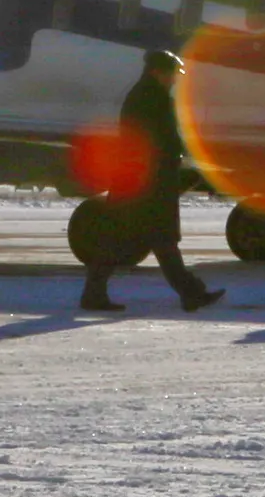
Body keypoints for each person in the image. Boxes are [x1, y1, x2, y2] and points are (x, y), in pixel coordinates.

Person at [82, 48, 220, 313]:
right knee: (152, 239)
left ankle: (190, 293)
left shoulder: (147, 95)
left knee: (142, 239)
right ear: (157, 72)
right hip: (146, 182)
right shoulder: (150, 98)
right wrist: (173, 162)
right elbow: (157, 141)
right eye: (171, 74)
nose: (174, 79)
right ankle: (191, 294)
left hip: (139, 180)